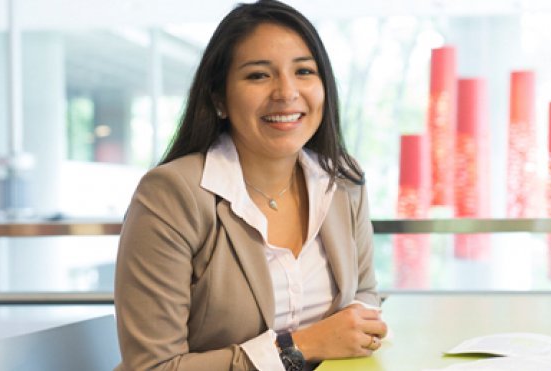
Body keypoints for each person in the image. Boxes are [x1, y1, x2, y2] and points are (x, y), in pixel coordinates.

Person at [114, 0, 387, 370]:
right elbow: (153, 367)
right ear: (219, 99)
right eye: (259, 75)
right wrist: (301, 347)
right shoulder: (172, 195)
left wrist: (357, 322)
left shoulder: (342, 181)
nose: (286, 92)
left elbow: (366, 292)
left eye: (304, 71)